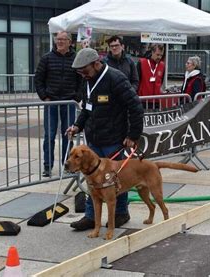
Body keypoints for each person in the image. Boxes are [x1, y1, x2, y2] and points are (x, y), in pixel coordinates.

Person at [66, 48, 144, 231]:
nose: (83, 75)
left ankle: (121, 213)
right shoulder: (87, 81)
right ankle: (91, 217)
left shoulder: (116, 79)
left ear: (96, 63)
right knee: (92, 179)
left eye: (85, 70)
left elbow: (135, 106)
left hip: (114, 139)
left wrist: (133, 135)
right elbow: (87, 108)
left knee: (115, 179)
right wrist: (77, 125)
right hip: (94, 139)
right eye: (79, 72)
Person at [35, 31, 81, 177]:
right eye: (58, 39)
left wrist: (77, 97)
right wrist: (44, 96)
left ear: (70, 42)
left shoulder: (76, 59)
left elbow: (82, 80)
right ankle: (47, 166)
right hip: (52, 102)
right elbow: (38, 79)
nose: (60, 42)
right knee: (49, 135)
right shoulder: (47, 58)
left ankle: (68, 165)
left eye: (63, 39)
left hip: (69, 103)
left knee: (68, 135)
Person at [137, 44, 165, 109]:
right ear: (152, 52)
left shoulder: (162, 65)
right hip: (143, 100)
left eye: (161, 55)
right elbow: (137, 81)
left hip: (156, 100)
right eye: (157, 54)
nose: (159, 57)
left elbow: (161, 81)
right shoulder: (142, 62)